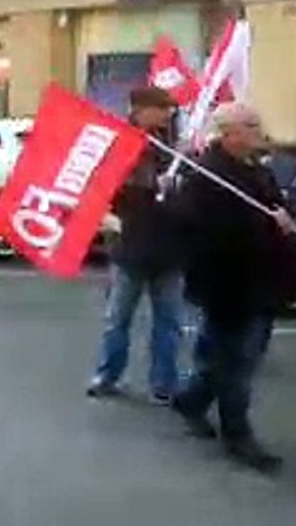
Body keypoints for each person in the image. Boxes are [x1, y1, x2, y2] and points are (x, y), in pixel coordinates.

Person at [172, 102, 296, 474]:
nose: (259, 129)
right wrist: (267, 225)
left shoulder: (255, 169)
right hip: (230, 285)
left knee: (223, 358)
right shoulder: (208, 176)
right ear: (228, 133)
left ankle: (192, 400)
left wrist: (285, 220)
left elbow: (276, 205)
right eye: (250, 125)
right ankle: (237, 433)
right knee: (238, 363)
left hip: (262, 280)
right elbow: (212, 233)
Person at [86, 86, 184, 405]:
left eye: (168, 108)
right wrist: (154, 185)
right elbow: (108, 186)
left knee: (168, 322)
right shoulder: (120, 142)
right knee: (118, 319)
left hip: (168, 247)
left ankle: (164, 383)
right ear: (140, 109)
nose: (167, 113)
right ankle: (107, 374)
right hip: (131, 247)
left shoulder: (173, 142)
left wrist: (176, 185)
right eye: (161, 107)